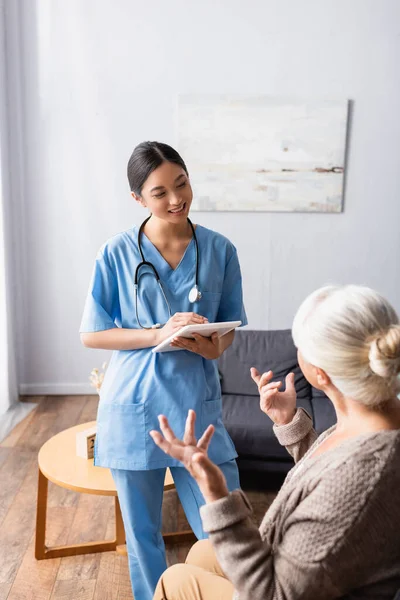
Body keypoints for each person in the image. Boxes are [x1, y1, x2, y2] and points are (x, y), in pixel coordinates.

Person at [151, 284, 400, 600]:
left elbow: (273, 593)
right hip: (320, 572)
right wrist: (289, 422)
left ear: (320, 374)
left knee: (177, 580)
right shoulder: (374, 420)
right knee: (203, 551)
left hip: (278, 589)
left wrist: (216, 494)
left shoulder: (365, 477)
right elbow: (332, 476)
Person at [79, 141, 247, 600]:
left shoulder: (219, 250)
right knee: (144, 539)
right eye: (159, 193)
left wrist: (215, 350)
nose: (176, 199)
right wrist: (157, 334)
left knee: (227, 532)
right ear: (138, 199)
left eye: (182, 183)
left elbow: (231, 325)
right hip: (134, 407)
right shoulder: (115, 253)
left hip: (197, 406)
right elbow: (92, 334)